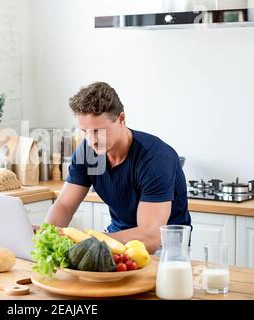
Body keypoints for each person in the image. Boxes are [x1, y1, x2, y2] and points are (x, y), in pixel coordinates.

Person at [45, 82, 191, 254]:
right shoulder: (88, 153)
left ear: (121, 119)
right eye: (85, 131)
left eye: (98, 131)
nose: (92, 141)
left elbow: (151, 237)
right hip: (115, 237)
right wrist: (47, 237)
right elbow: (64, 206)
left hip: (166, 248)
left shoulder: (155, 158)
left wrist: (86, 240)